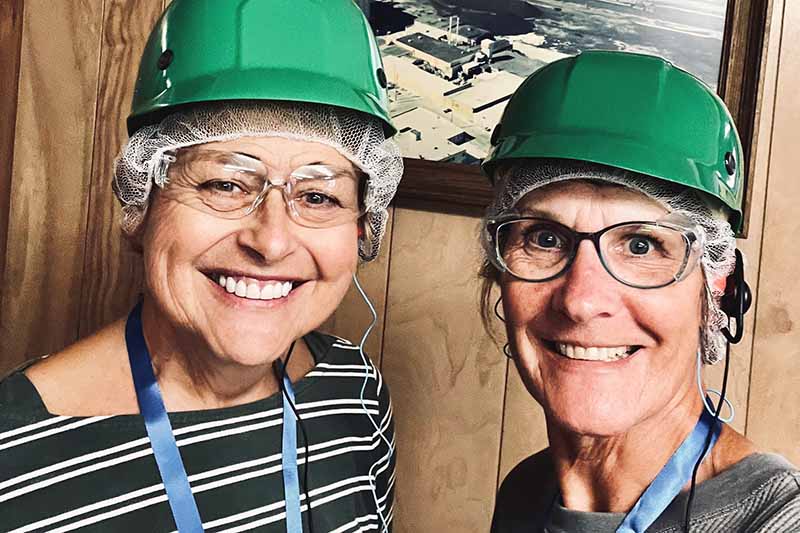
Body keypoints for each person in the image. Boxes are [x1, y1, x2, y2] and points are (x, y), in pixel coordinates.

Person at [0, 1, 403, 532]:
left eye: (318, 196)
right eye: (225, 184)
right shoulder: (14, 453)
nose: (273, 240)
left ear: (362, 225)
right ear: (142, 203)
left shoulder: (353, 389)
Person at [481, 51, 799, 532]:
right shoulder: (526, 493)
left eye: (641, 244)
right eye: (545, 238)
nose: (581, 301)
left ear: (718, 287)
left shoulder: (778, 519)